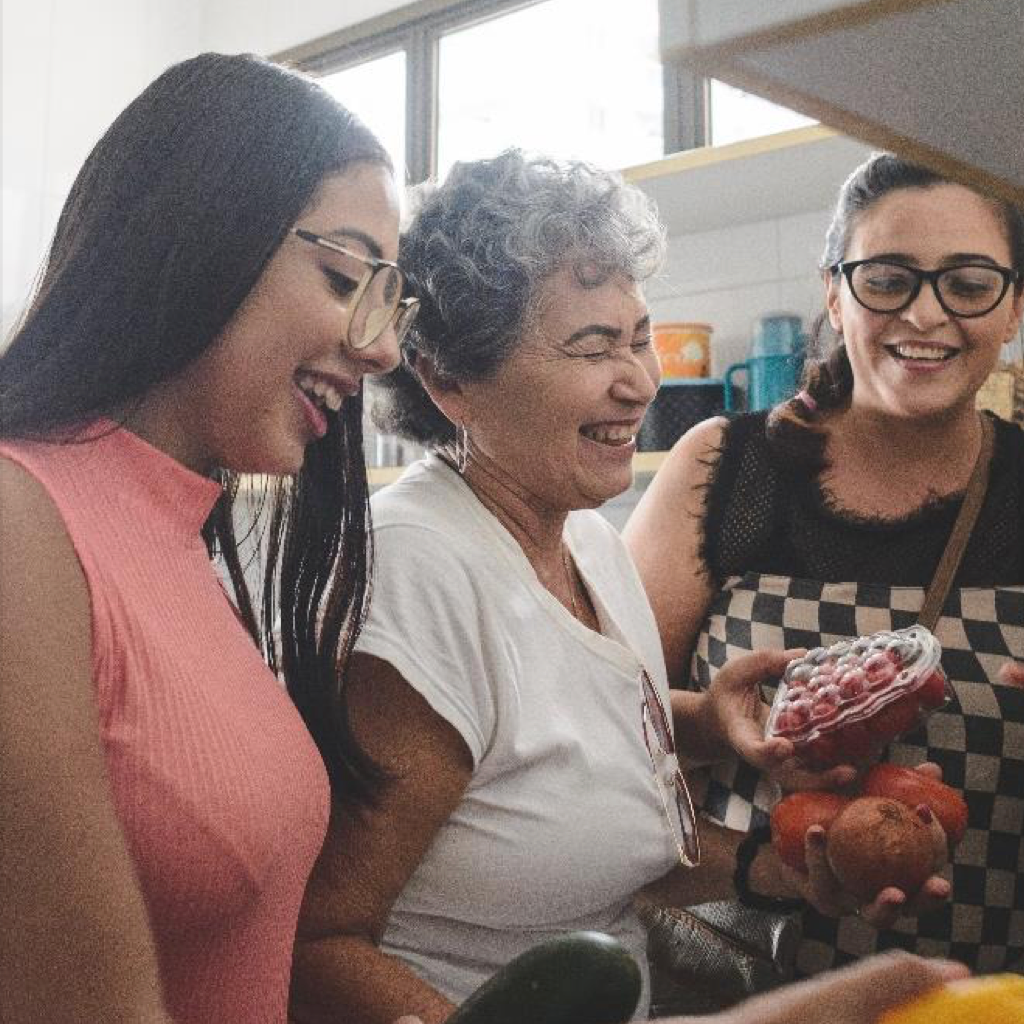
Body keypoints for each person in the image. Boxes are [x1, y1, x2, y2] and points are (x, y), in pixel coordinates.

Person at [288, 149, 952, 1024]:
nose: (641, 380)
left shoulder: (588, 543)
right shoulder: (423, 575)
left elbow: (563, 792)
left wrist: (765, 847)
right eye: (593, 345)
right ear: (449, 380)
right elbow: (318, 945)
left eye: (639, 335)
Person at [0, 52, 411, 1024]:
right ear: (194, 235)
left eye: (390, 298)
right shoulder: (21, 522)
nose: (383, 345)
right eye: (344, 274)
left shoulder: (189, 536)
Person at [625, 152, 1024, 977]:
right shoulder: (723, 470)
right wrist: (713, 722)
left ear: (1015, 305)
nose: (926, 313)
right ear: (834, 294)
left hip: (993, 984)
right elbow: (601, 723)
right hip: (747, 975)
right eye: (887, 278)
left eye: (970, 282)